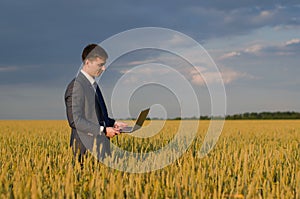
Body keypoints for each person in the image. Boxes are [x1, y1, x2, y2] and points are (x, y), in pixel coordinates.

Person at [65, 44, 126, 163]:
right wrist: (103, 131)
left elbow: (96, 115)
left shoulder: (93, 85)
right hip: (85, 152)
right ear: (87, 62)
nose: (103, 68)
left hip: (99, 151)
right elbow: (75, 120)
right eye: (100, 65)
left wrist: (113, 123)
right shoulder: (76, 86)